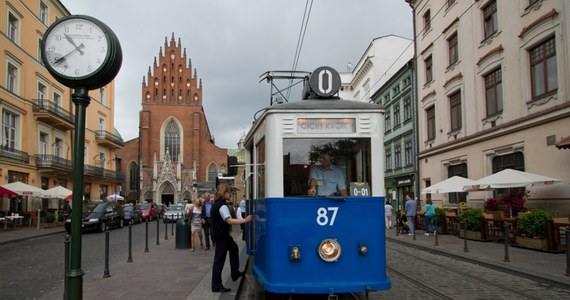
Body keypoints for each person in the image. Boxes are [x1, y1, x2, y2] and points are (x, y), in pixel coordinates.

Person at [210, 182, 253, 293]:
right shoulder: (222, 205)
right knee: (219, 260)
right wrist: (245, 220)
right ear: (224, 193)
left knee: (234, 248)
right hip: (221, 237)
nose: (230, 194)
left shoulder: (216, 204)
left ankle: (234, 273)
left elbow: (217, 222)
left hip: (222, 235)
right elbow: (229, 220)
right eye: (228, 192)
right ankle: (216, 285)